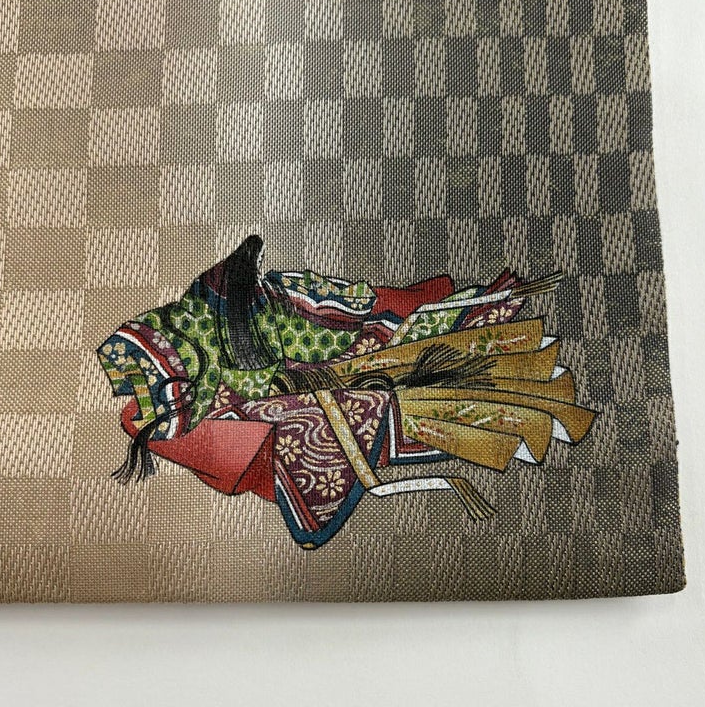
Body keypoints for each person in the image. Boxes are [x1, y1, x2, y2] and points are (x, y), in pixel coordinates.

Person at [98, 235, 595, 549]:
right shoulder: (173, 396)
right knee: (371, 389)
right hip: (279, 379)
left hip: (309, 345)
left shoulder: (261, 305)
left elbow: (335, 319)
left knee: (389, 340)